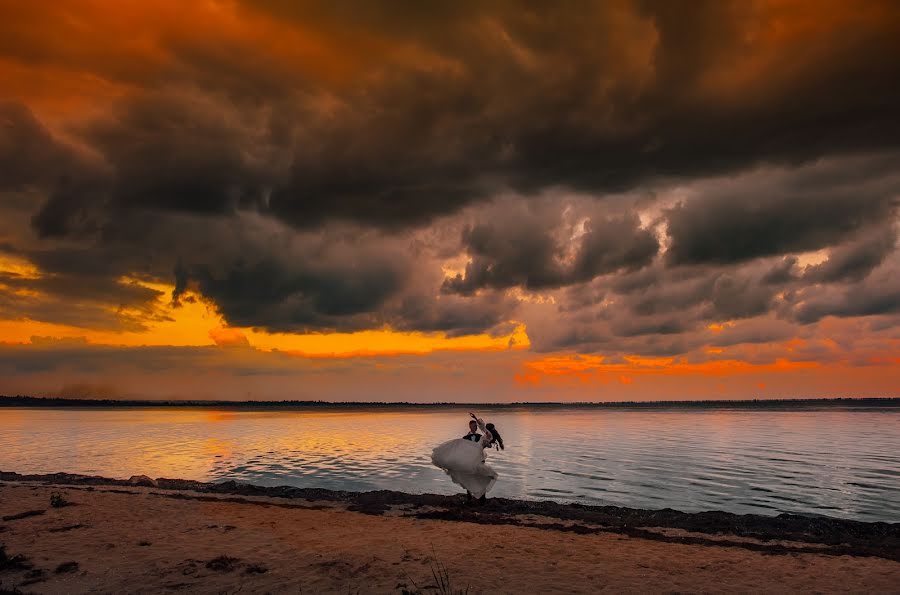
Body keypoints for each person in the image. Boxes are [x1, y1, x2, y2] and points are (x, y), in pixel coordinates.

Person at [431, 413, 504, 503]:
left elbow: (486, 442)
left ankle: (482, 498)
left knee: (481, 477)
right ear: (470, 427)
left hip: (479, 461)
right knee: (469, 477)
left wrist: (488, 444)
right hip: (468, 461)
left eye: (476, 426)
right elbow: (461, 449)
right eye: (474, 426)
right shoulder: (465, 438)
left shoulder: (480, 437)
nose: (475, 428)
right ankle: (469, 497)